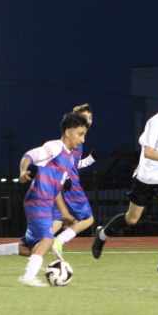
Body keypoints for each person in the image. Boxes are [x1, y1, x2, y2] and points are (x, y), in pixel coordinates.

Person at [0, 111, 89, 287]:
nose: (82, 140)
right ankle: (28, 277)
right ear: (68, 132)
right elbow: (30, 155)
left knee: (30, 249)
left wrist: (65, 213)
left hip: (42, 201)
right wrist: (23, 171)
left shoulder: (68, 159)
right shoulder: (55, 147)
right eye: (80, 134)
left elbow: (56, 188)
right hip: (38, 199)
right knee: (48, 239)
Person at [91, 81, 158, 274]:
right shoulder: (155, 122)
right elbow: (148, 152)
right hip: (146, 177)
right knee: (132, 219)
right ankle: (101, 235)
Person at [51, 103, 99, 260]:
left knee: (58, 221)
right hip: (71, 186)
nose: (89, 120)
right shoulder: (73, 138)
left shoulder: (78, 138)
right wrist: (66, 179)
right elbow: (63, 159)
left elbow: (74, 163)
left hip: (61, 184)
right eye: (85, 117)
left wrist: (90, 160)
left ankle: (36, 246)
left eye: (90, 117)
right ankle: (59, 241)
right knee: (88, 219)